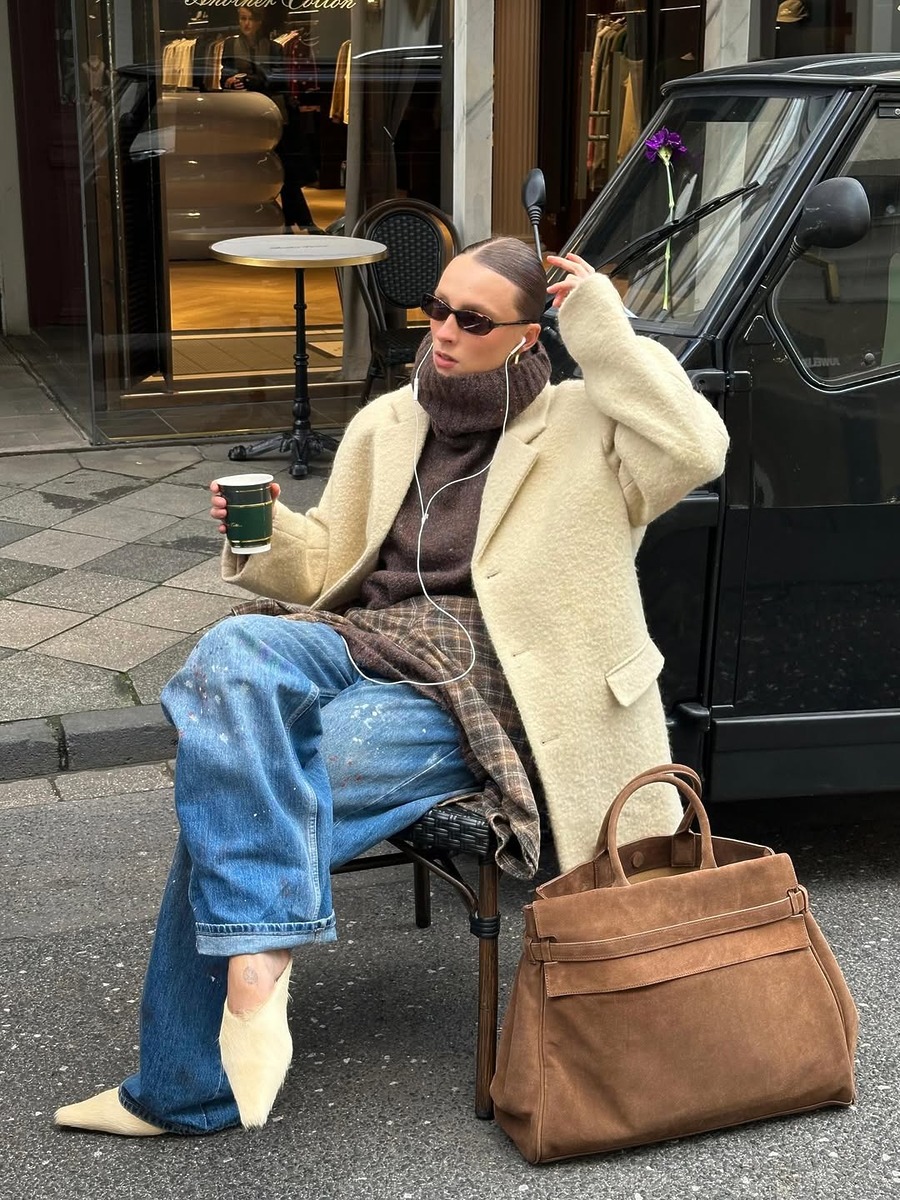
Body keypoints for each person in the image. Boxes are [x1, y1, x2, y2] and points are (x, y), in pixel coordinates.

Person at [54, 238, 729, 1137]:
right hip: (371, 640)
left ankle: (183, 1088)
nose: (443, 331)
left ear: (529, 337)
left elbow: (697, 446)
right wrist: (267, 534)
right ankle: (258, 959)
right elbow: (330, 561)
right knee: (233, 653)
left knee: (242, 795)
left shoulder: (589, 426)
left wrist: (605, 331)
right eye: (436, 308)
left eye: (473, 319)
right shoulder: (388, 422)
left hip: (493, 681)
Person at [222, 7, 320, 233]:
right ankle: (293, 221)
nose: (246, 24)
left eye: (251, 19)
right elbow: (224, 75)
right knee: (255, 169)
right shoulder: (231, 45)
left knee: (283, 168)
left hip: (271, 113)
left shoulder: (275, 47)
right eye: (243, 19)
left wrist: (251, 80)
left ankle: (298, 221)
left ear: (259, 22)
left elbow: (276, 79)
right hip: (243, 113)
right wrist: (230, 81)